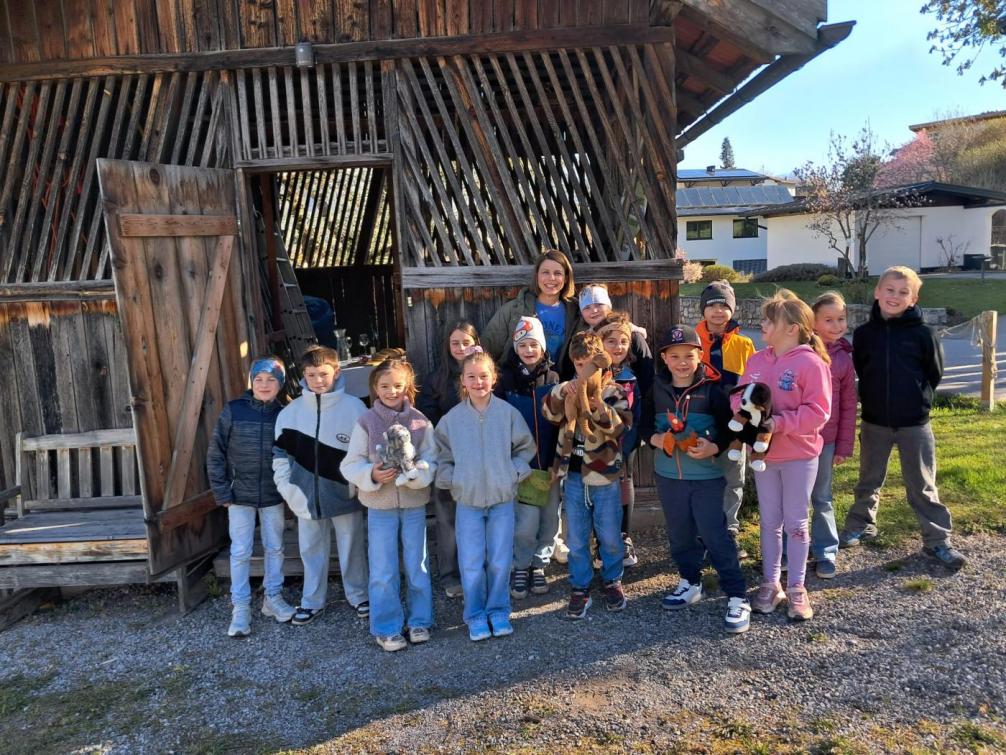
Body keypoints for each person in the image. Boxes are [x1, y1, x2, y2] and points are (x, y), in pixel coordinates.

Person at [839, 267, 966, 569]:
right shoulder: (864, 334)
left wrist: (916, 403)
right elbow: (862, 370)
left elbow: (934, 374)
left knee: (922, 484)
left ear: (914, 298)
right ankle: (861, 524)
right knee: (868, 480)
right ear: (877, 293)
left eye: (903, 292)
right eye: (890, 290)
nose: (895, 296)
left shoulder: (924, 334)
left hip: (914, 425)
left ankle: (937, 540)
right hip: (874, 422)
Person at [639, 325, 750, 634]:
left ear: (700, 355)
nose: (682, 362)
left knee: (715, 534)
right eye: (674, 356)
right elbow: (644, 425)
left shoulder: (716, 387)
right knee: (679, 534)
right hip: (668, 477)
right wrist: (656, 439)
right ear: (664, 358)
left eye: (689, 355)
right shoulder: (656, 388)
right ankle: (690, 581)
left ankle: (738, 594)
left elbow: (733, 427)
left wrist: (715, 444)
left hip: (708, 478)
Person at [737, 291, 832, 622]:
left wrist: (778, 423)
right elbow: (741, 397)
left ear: (791, 328)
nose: (762, 324)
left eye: (768, 320)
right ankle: (770, 583)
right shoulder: (757, 360)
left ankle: (796, 586)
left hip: (799, 456)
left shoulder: (811, 363)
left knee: (796, 521)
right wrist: (743, 415)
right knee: (769, 521)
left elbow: (818, 412)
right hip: (763, 457)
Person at [435, 350, 536, 641]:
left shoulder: (508, 414)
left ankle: (498, 610)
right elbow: (440, 455)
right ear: (463, 381)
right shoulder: (452, 420)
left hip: (502, 499)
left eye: (483, 376)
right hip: (468, 503)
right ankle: (475, 615)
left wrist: (513, 473)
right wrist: (453, 479)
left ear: (493, 378)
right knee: (470, 560)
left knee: (500, 559)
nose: (478, 382)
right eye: (471, 377)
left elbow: (525, 449)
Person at [341, 354, 437, 652]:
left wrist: (415, 474)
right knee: (383, 568)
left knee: (417, 564)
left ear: (407, 386)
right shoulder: (366, 422)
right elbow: (349, 464)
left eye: (397, 385)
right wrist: (371, 472)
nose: (391, 391)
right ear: (375, 387)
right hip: (379, 506)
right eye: (385, 385)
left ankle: (419, 621)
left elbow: (432, 461)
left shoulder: (421, 422)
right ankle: (387, 627)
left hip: (413, 504)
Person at [273, 345, 369, 625]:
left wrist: (357, 485)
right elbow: (279, 457)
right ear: (303, 375)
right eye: (312, 375)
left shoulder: (354, 408)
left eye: (324, 374)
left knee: (352, 546)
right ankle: (312, 600)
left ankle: (359, 595)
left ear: (336, 372)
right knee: (311, 550)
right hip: (304, 496)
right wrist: (290, 491)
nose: (318, 380)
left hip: (343, 493)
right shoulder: (290, 413)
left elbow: (364, 453)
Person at [542, 331, 629, 619]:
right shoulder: (567, 388)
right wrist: (558, 393)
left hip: (604, 478)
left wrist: (597, 407)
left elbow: (620, 427)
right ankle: (580, 586)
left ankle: (612, 578)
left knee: (610, 534)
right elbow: (550, 415)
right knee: (576, 537)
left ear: (601, 363)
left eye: (589, 364)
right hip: (574, 475)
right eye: (578, 364)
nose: (583, 370)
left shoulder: (613, 391)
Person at [207, 356, 293, 637]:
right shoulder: (233, 410)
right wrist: (222, 490)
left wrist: (289, 489)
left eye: (271, 380)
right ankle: (240, 607)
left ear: (280, 384)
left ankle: (273, 598)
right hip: (238, 494)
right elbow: (216, 452)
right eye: (259, 379)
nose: (265, 384)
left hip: (272, 493)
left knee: (275, 547)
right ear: (251, 382)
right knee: (241, 551)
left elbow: (294, 453)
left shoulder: (286, 413)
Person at [576, 288, 654, 567]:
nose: (617, 347)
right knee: (599, 486)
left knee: (624, 481)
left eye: (623, 342)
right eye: (611, 342)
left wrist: (636, 436)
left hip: (627, 440)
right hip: (597, 442)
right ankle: (600, 542)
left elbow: (643, 400)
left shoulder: (631, 374)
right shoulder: (593, 374)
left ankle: (624, 537)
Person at [495, 316, 561, 599]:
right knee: (525, 522)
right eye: (523, 345)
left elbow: (562, 422)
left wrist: (560, 460)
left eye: (534, 344)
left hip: (550, 463)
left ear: (543, 347)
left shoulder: (555, 379)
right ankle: (520, 564)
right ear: (516, 347)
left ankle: (539, 564)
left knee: (549, 519)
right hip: (521, 467)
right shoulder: (505, 380)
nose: (529, 350)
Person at [417, 321, 480, 599]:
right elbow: (428, 420)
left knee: (480, 517)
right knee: (448, 520)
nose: (461, 348)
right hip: (447, 458)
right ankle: (450, 574)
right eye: (455, 343)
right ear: (447, 347)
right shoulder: (435, 380)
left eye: (467, 342)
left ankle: (477, 571)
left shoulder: (484, 375)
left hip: (480, 459)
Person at [695, 280, 756, 557]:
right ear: (703, 310)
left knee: (734, 477)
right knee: (704, 479)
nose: (718, 311)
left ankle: (730, 528)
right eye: (712, 306)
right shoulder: (692, 339)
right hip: (701, 422)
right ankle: (703, 532)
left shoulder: (744, 345)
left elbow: (754, 384)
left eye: (724, 306)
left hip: (735, 425)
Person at [806, 291, 857, 579]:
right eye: (829, 320)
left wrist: (843, 446)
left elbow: (850, 405)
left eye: (841, 319)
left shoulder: (844, 359)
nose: (837, 326)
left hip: (827, 441)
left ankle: (825, 551)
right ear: (813, 322)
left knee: (822, 496)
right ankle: (792, 550)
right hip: (799, 440)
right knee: (797, 499)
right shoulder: (802, 352)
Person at [480, 250, 579, 377]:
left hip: (558, 386)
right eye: (545, 272)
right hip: (516, 385)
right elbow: (486, 349)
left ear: (565, 278)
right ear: (537, 275)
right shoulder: (514, 310)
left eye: (558, 273)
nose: (551, 278)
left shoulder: (575, 313)